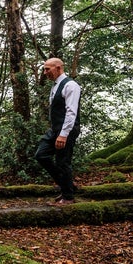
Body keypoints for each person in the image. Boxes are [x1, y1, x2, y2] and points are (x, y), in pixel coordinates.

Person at [35, 57, 81, 205]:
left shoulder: (71, 86)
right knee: (41, 155)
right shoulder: (56, 85)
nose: (45, 72)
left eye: (47, 69)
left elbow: (71, 112)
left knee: (63, 162)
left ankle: (68, 197)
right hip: (55, 129)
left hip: (66, 130)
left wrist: (63, 134)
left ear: (59, 68)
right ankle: (68, 185)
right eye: (44, 69)